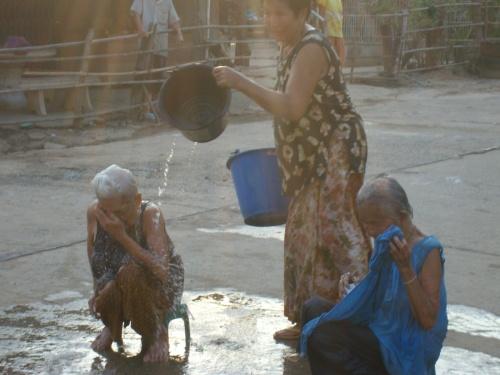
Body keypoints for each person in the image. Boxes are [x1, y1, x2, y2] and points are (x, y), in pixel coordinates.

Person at [213, 0, 371, 341]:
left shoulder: (312, 48)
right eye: (267, 13)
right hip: (310, 154)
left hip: (335, 150)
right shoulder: (290, 43)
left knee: (338, 231)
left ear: (302, 14)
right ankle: (308, 320)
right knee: (304, 233)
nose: (272, 21)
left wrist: (241, 82)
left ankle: (362, 312)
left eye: (280, 14)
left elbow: (292, 106)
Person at [300, 176, 448, 374]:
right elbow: (382, 295)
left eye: (375, 223)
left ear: (402, 216)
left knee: (323, 336)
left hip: (404, 346)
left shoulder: (427, 251)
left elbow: (428, 320)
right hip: (383, 330)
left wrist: (406, 269)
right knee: (313, 309)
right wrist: (354, 291)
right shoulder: (387, 243)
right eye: (365, 224)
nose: (369, 231)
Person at [86, 165, 184, 363]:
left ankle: (157, 332)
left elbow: (162, 271)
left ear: (136, 200)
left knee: (130, 273)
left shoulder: (150, 214)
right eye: (106, 210)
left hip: (158, 286)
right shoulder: (95, 212)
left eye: (119, 212)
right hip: (117, 274)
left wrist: (121, 236)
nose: (111, 218)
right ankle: (112, 326)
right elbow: (94, 254)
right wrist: (97, 288)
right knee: (108, 287)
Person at [131, 0, 183, 119]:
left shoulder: (167, 2)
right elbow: (135, 13)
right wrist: (140, 29)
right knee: (144, 75)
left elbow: (174, 20)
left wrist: (179, 33)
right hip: (146, 43)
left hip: (161, 44)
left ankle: (152, 108)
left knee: (158, 76)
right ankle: (142, 110)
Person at [315, 0, 346, 66]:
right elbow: (321, 11)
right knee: (330, 49)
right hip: (329, 26)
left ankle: (337, 70)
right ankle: (329, 68)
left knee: (341, 50)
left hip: (338, 27)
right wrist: (321, 24)